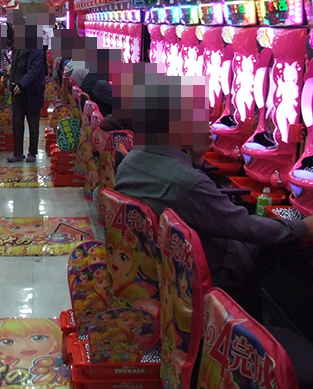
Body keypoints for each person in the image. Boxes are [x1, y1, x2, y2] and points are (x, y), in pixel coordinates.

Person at [112, 68, 313, 320]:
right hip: (196, 275)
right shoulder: (188, 184)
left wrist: (195, 158)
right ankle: (242, 324)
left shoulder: (131, 161)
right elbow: (242, 226)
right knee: (266, 240)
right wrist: (303, 227)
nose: (206, 124)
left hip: (157, 267)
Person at [8, 23, 46, 163]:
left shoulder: (37, 50)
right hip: (16, 90)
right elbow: (14, 66)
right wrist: (10, 80)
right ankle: (18, 153)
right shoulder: (17, 47)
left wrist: (22, 84)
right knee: (17, 122)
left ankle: (32, 153)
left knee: (33, 123)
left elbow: (34, 71)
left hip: (32, 91)